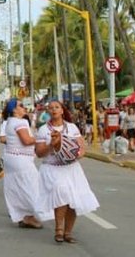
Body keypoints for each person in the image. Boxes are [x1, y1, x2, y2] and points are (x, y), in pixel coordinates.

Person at [35, 100, 99, 244]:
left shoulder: (71, 128)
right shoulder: (43, 130)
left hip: (71, 168)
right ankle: (59, 229)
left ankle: (68, 232)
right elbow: (39, 153)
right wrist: (52, 145)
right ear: (47, 112)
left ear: (62, 110)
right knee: (62, 193)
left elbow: (81, 148)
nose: (54, 110)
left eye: (56, 107)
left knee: (73, 199)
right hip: (52, 168)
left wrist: (74, 155)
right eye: (50, 108)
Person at [2, 98, 42, 229]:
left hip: (12, 158)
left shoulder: (10, 122)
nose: (24, 108)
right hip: (21, 160)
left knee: (18, 187)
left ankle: (25, 216)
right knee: (32, 186)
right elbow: (26, 140)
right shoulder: (20, 122)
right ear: (14, 109)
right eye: (21, 105)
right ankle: (32, 213)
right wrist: (40, 139)